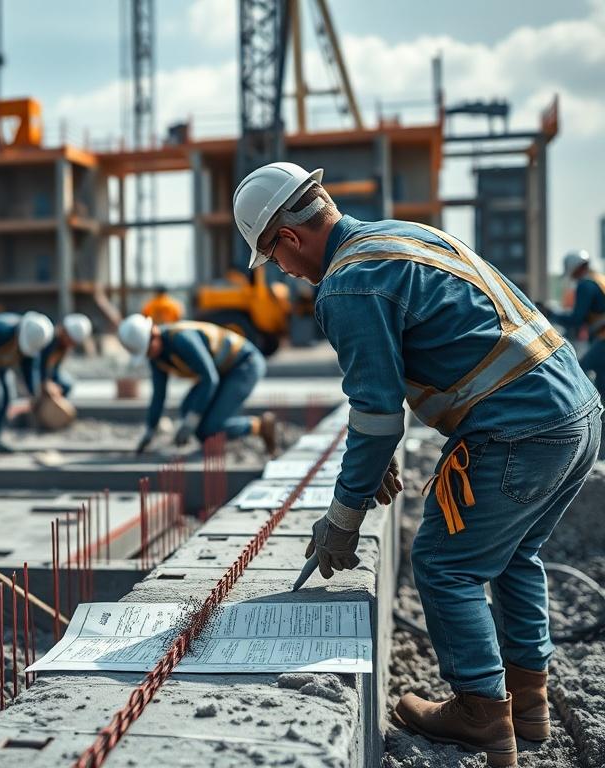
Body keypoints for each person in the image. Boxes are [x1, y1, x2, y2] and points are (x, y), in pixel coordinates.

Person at [233, 161, 601, 766]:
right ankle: (528, 704)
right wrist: (376, 457)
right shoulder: (403, 234)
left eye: (275, 259)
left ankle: (482, 710)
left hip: (520, 429)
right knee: (514, 556)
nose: (285, 273)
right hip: (576, 413)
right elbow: (431, 347)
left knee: (444, 563)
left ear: (289, 238)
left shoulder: (347, 283)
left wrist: (344, 515)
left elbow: (377, 413)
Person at [117, 314, 277, 456]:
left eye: (148, 350)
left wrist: (191, 420)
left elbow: (209, 379)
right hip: (222, 372)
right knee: (192, 417)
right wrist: (150, 429)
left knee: (211, 428)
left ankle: (260, 426)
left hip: (244, 365)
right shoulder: (157, 357)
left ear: (155, 333)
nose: (148, 356)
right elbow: (159, 394)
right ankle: (216, 436)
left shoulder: (181, 339)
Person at [0, 311, 54, 459]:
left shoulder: (33, 341)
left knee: (8, 396)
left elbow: (30, 370)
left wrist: (33, 394)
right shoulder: (1, 329)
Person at [544, 250, 605, 400]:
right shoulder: (599, 279)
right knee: (601, 378)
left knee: (579, 372)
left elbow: (576, 319)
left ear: (575, 268)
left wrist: (550, 313)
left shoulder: (585, 285)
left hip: (603, 339)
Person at [35, 313, 93, 398]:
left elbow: (55, 368)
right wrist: (46, 383)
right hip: (40, 374)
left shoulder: (63, 347)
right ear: (65, 332)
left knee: (66, 385)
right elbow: (40, 366)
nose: (71, 345)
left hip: (50, 373)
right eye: (70, 341)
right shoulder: (49, 342)